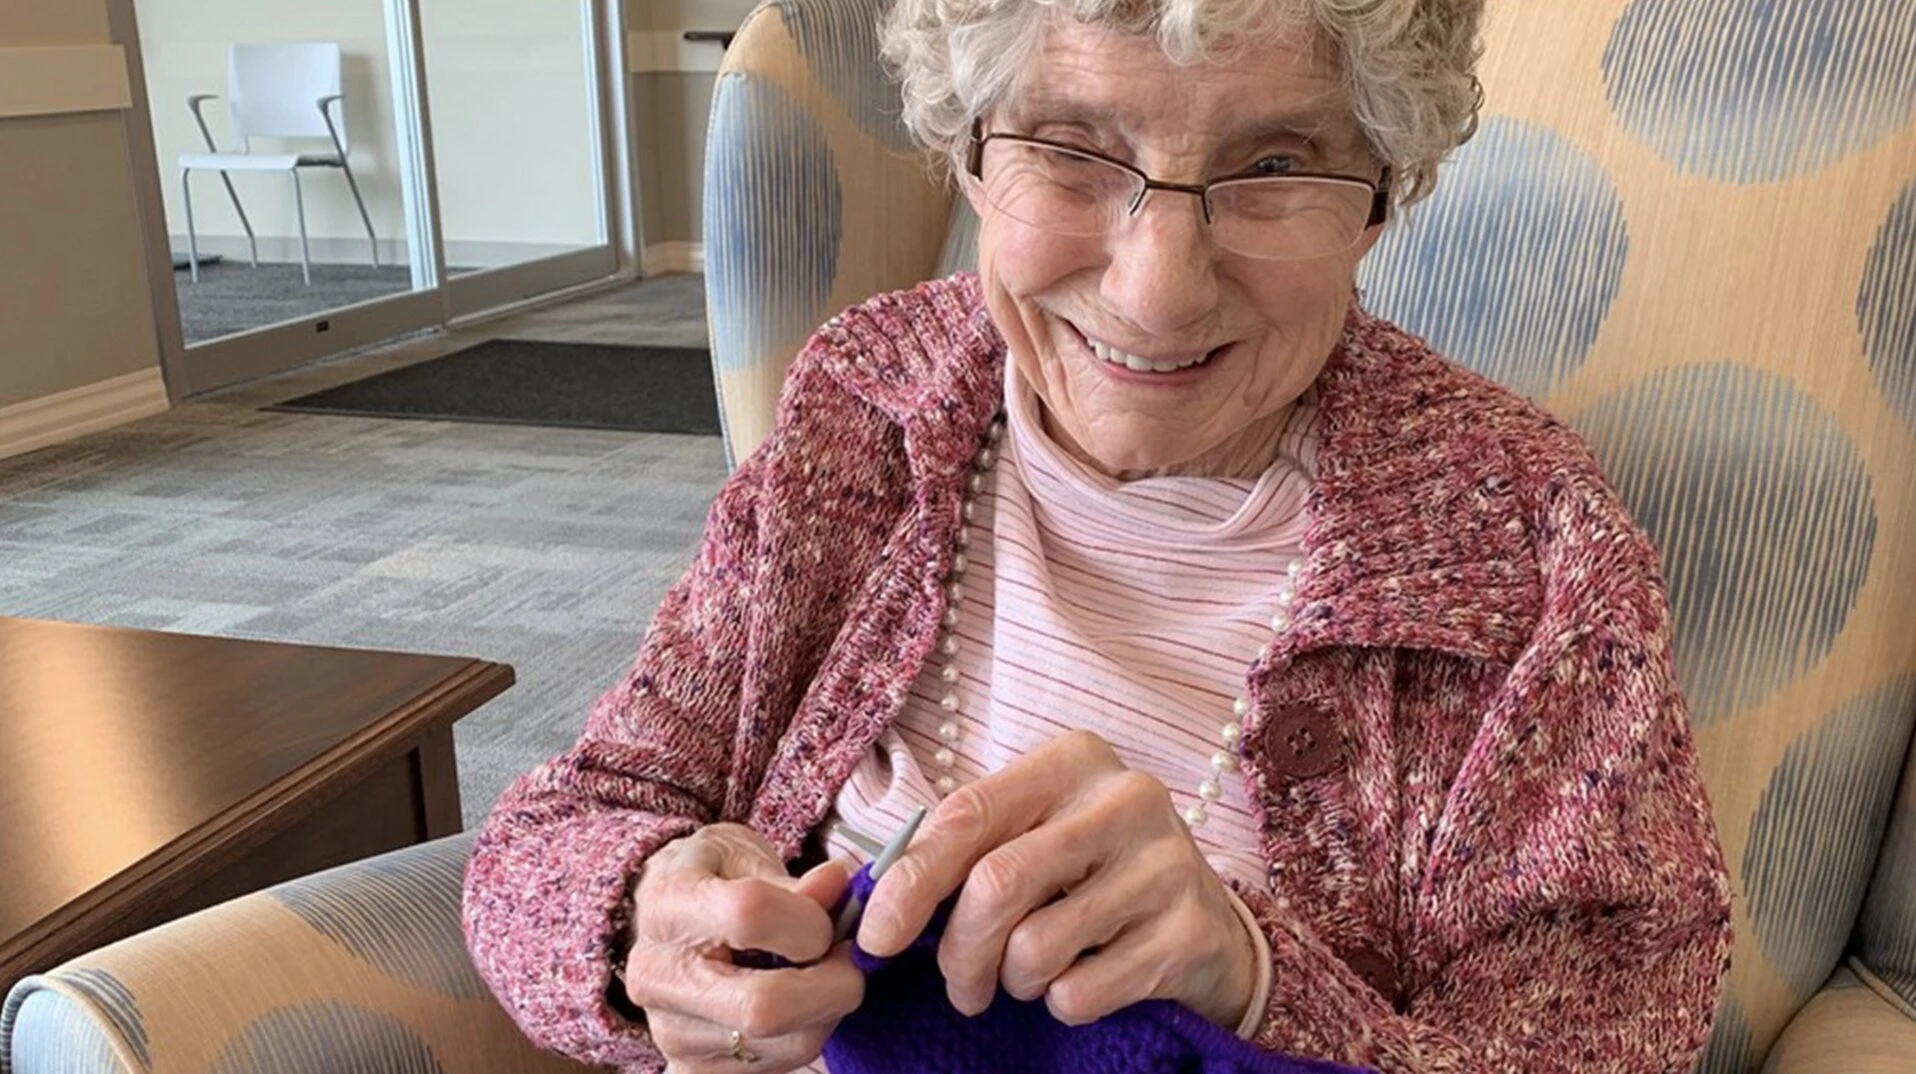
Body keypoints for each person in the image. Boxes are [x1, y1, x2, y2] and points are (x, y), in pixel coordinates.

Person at [463, 1, 1734, 1071]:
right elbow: (565, 827)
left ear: (1380, 202)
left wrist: (1253, 981)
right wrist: (645, 918)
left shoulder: (1526, 541)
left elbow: (1619, 1024)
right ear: (967, 157)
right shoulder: (872, 402)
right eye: (1071, 151)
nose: (1157, 288)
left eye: (1274, 167)